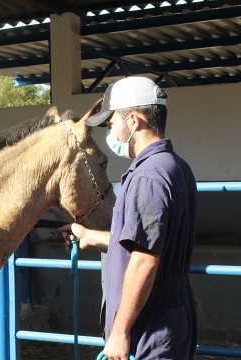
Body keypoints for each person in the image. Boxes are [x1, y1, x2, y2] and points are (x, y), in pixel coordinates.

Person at [59, 77, 197, 360]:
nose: (111, 133)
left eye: (111, 125)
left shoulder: (148, 176)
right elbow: (149, 242)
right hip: (169, 315)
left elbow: (145, 259)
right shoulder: (177, 167)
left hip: (149, 326)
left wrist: (120, 332)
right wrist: (89, 236)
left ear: (133, 121)